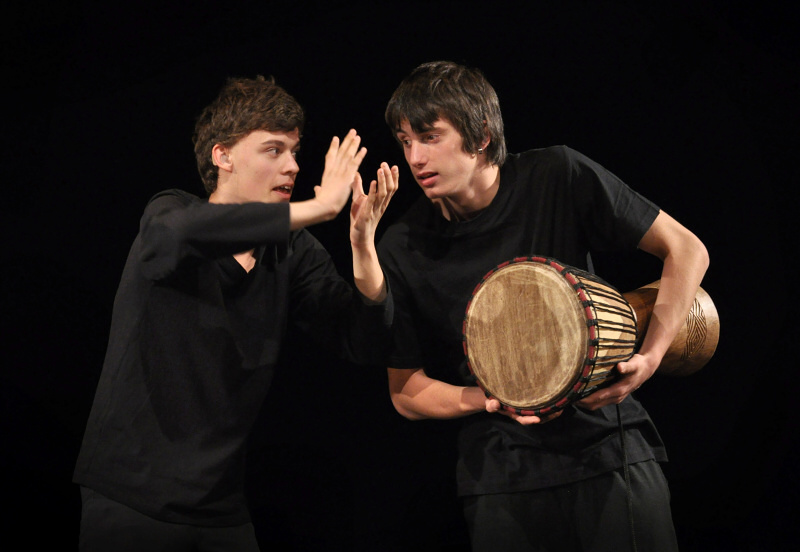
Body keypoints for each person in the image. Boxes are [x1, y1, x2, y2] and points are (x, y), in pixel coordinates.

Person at [377, 61, 709, 552]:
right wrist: (489, 399)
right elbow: (406, 391)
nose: (414, 157)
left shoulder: (556, 173)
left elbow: (686, 249)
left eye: (429, 137)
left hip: (606, 450)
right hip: (501, 475)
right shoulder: (403, 244)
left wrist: (651, 357)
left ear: (481, 135)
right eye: (405, 141)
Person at [73, 75, 398, 551]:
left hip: (219, 507)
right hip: (132, 495)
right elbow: (181, 234)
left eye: (294, 151)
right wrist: (319, 207)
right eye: (273, 150)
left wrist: (362, 246)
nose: (292, 165)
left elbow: (362, 338)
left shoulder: (293, 251)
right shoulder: (171, 212)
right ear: (222, 156)